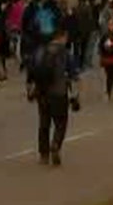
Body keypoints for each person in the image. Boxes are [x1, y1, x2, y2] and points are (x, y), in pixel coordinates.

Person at [30, 27, 80, 166]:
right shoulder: (65, 53)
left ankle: (43, 155)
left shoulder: (40, 51)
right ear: (63, 37)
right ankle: (56, 144)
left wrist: (31, 90)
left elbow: (31, 71)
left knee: (44, 123)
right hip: (59, 92)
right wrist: (75, 96)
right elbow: (74, 75)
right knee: (60, 123)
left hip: (42, 92)